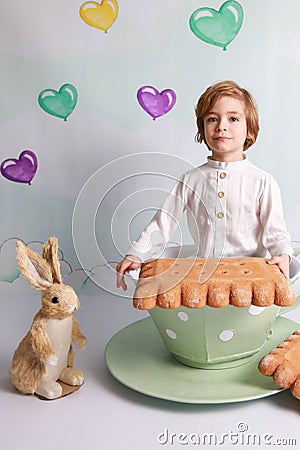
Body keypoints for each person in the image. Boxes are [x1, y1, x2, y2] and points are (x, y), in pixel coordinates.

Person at [116, 80, 292, 291]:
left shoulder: (262, 181)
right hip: (202, 275)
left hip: (250, 278)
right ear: (203, 129)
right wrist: (136, 253)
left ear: (249, 130)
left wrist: (283, 255)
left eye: (233, 118)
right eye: (212, 119)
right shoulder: (191, 179)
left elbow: (275, 232)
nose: (222, 126)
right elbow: (163, 223)